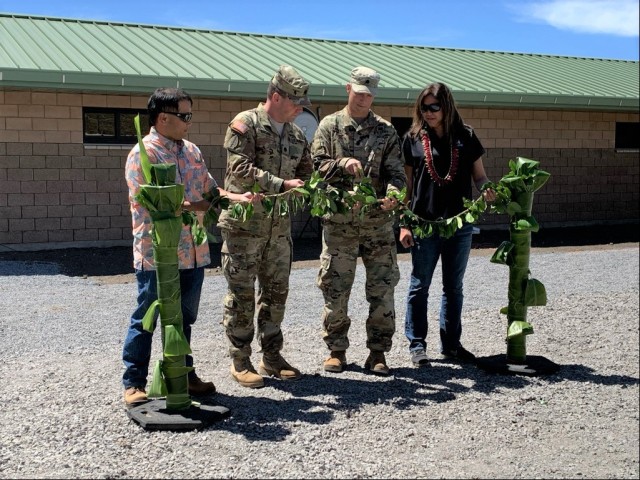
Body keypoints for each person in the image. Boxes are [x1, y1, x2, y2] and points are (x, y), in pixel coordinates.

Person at [122, 87, 255, 405]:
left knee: (183, 318)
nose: (189, 122)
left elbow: (211, 189)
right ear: (163, 117)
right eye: (185, 116)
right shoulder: (144, 154)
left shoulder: (192, 151)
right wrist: (202, 204)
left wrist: (238, 198)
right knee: (147, 317)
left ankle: (183, 374)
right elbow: (165, 205)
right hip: (159, 256)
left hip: (193, 253)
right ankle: (134, 383)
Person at [218, 65, 314, 389]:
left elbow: (308, 174)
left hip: (279, 231)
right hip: (244, 228)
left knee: (276, 295)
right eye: (296, 102)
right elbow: (240, 168)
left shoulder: (298, 135)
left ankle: (271, 357)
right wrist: (282, 183)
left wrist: (313, 188)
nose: (301, 109)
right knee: (242, 296)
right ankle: (240, 361)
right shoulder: (245, 125)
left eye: (303, 104)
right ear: (276, 95)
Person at [311, 66, 406, 376]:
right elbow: (316, 167)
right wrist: (341, 163)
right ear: (348, 89)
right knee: (336, 288)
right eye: (360, 93)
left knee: (382, 288)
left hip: (377, 222)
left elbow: (397, 174)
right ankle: (336, 350)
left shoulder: (386, 131)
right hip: (339, 223)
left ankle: (378, 353)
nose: (365, 99)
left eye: (369, 95)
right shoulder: (329, 126)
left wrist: (393, 195)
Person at [399, 82, 496, 368]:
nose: (428, 113)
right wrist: (404, 225)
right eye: (423, 108)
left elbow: (480, 177)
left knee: (454, 287)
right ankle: (417, 346)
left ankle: (451, 346)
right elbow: (406, 186)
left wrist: (488, 190)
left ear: (447, 107)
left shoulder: (465, 136)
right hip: (423, 224)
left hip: (459, 225)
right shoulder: (413, 138)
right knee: (420, 285)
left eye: (434, 107)